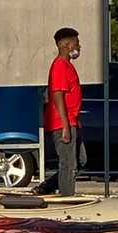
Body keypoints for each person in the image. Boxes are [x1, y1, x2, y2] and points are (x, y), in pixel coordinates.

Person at [34, 27, 84, 196]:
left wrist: (75, 120)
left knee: (81, 159)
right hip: (62, 121)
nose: (79, 46)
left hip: (71, 119)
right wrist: (65, 125)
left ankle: (47, 186)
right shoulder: (60, 66)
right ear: (66, 45)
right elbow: (57, 95)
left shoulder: (68, 66)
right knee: (68, 162)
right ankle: (66, 196)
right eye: (76, 42)